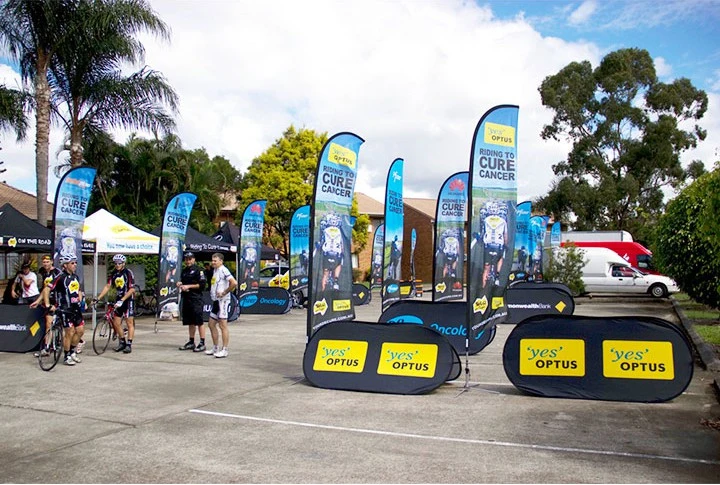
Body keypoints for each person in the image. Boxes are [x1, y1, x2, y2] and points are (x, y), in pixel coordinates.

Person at [44, 255, 85, 366]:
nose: (75, 265)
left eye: (75, 263)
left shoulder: (75, 277)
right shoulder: (60, 277)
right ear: (65, 265)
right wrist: (48, 304)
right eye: (72, 263)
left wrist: (81, 301)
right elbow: (47, 289)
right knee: (70, 332)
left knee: (80, 331)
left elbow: (78, 290)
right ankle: (66, 356)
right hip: (65, 309)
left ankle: (72, 351)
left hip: (76, 309)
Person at [95, 254, 136, 354]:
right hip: (118, 300)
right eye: (115, 263)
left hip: (128, 300)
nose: (117, 265)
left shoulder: (128, 273)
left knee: (129, 322)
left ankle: (129, 344)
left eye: (119, 263)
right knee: (116, 323)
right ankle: (122, 342)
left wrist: (122, 299)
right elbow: (108, 286)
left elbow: (132, 289)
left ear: (123, 263)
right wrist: (98, 298)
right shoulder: (113, 273)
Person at [205, 252, 237, 358]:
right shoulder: (215, 270)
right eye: (212, 260)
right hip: (215, 301)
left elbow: (234, 283)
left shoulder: (224, 270)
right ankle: (215, 347)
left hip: (223, 301)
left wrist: (224, 292)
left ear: (221, 261)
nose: (213, 262)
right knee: (211, 324)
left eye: (215, 261)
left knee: (223, 325)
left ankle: (225, 349)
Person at [30, 255, 62, 356]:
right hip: (48, 301)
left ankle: (72, 345)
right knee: (48, 324)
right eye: (44, 262)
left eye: (47, 262)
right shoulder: (44, 273)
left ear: (52, 262)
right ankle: (47, 347)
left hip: (57, 301)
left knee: (55, 324)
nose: (45, 264)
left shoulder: (57, 272)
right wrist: (38, 301)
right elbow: (45, 290)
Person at [177, 252, 207, 352]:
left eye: (190, 259)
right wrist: (181, 284)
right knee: (190, 321)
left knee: (199, 321)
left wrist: (189, 286)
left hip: (196, 298)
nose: (188, 261)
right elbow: (183, 282)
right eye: (186, 259)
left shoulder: (199, 270)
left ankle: (202, 342)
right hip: (187, 298)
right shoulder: (184, 271)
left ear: (194, 259)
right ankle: (191, 341)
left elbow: (202, 285)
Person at [482, 201, 508, 288]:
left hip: (488, 244)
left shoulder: (486, 220)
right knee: (500, 258)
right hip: (498, 244)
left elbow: (483, 232)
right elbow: (505, 235)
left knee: (486, 268)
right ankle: (497, 275)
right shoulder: (503, 221)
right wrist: (506, 245)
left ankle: (483, 287)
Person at [319, 213, 343, 291]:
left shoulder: (325, 230)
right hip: (336, 254)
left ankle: (322, 291)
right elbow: (341, 245)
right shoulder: (339, 231)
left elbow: (321, 241)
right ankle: (336, 281)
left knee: (325, 275)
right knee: (338, 264)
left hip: (327, 253)